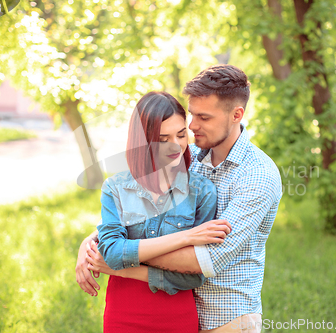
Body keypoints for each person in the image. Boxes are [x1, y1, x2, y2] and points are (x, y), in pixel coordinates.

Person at [77, 65, 283, 333]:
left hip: (227, 317)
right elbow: (140, 212)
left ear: (236, 115)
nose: (193, 126)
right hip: (183, 309)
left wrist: (119, 259)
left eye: (204, 118)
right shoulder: (191, 154)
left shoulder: (258, 175)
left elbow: (203, 260)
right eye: (192, 116)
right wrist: (94, 240)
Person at [86, 91, 232, 332]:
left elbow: (195, 276)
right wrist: (185, 237)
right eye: (163, 138)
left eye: (181, 134)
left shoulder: (201, 191)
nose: (175, 145)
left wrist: (122, 269)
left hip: (177, 316)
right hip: (123, 314)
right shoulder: (116, 188)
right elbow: (111, 253)